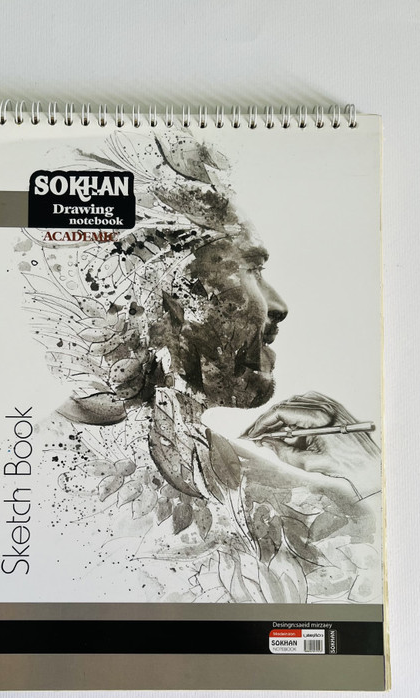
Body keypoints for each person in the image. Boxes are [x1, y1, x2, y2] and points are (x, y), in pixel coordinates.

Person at [25, 129, 382, 603]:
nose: (277, 305)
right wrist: (368, 490)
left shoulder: (313, 503)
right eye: (251, 268)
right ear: (169, 294)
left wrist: (367, 486)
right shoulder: (38, 481)